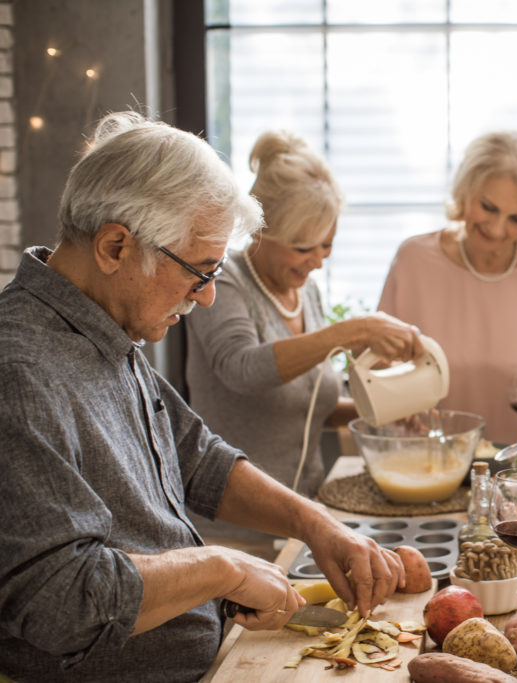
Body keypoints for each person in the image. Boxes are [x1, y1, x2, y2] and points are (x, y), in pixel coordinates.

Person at [0, 112, 405, 682]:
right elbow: (61, 602)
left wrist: (317, 524)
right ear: (116, 246)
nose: (210, 297)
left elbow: (196, 458)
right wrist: (221, 569)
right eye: (201, 271)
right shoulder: (20, 371)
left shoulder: (100, 325)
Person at [186, 130, 422, 503]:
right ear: (262, 231)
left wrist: (387, 410)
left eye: (326, 245)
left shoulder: (305, 292)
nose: (317, 261)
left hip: (305, 506)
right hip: (235, 522)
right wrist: (350, 332)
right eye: (302, 248)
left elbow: (311, 407)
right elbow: (242, 369)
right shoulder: (225, 279)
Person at [377, 130, 517, 445]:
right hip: (425, 459)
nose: (497, 229)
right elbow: (378, 365)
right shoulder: (413, 260)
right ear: (466, 189)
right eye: (488, 207)